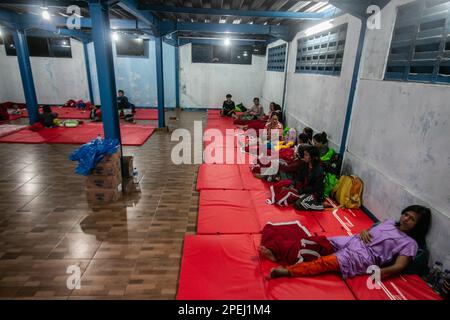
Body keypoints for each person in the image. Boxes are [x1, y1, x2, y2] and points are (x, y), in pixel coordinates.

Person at [260, 205, 431, 280]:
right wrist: (364, 231)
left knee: (325, 262)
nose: (406, 218)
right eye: (406, 214)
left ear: (418, 225)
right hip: (353, 239)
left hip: (364, 256)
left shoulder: (410, 244)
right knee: (315, 242)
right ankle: (278, 254)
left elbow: (400, 266)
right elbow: (370, 230)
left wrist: (378, 273)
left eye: (412, 219)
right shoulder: (388, 222)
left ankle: (288, 271)